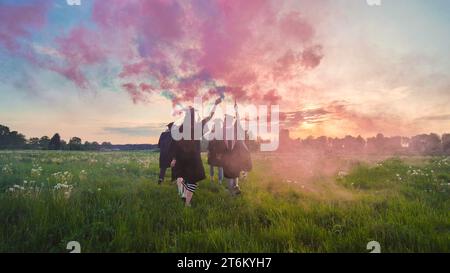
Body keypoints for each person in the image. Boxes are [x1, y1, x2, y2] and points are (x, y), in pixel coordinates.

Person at [171, 98, 222, 207]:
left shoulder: (181, 128)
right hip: (193, 158)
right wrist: (215, 104)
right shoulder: (198, 126)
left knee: (184, 178)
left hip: (181, 158)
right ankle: (187, 204)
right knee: (193, 181)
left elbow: (175, 144)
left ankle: (183, 195)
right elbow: (209, 117)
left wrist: (174, 158)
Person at [219, 101, 252, 195]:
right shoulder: (234, 128)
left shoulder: (224, 130)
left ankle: (231, 193)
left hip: (228, 157)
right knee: (235, 173)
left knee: (229, 176)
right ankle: (236, 186)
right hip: (236, 157)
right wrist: (236, 110)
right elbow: (238, 119)